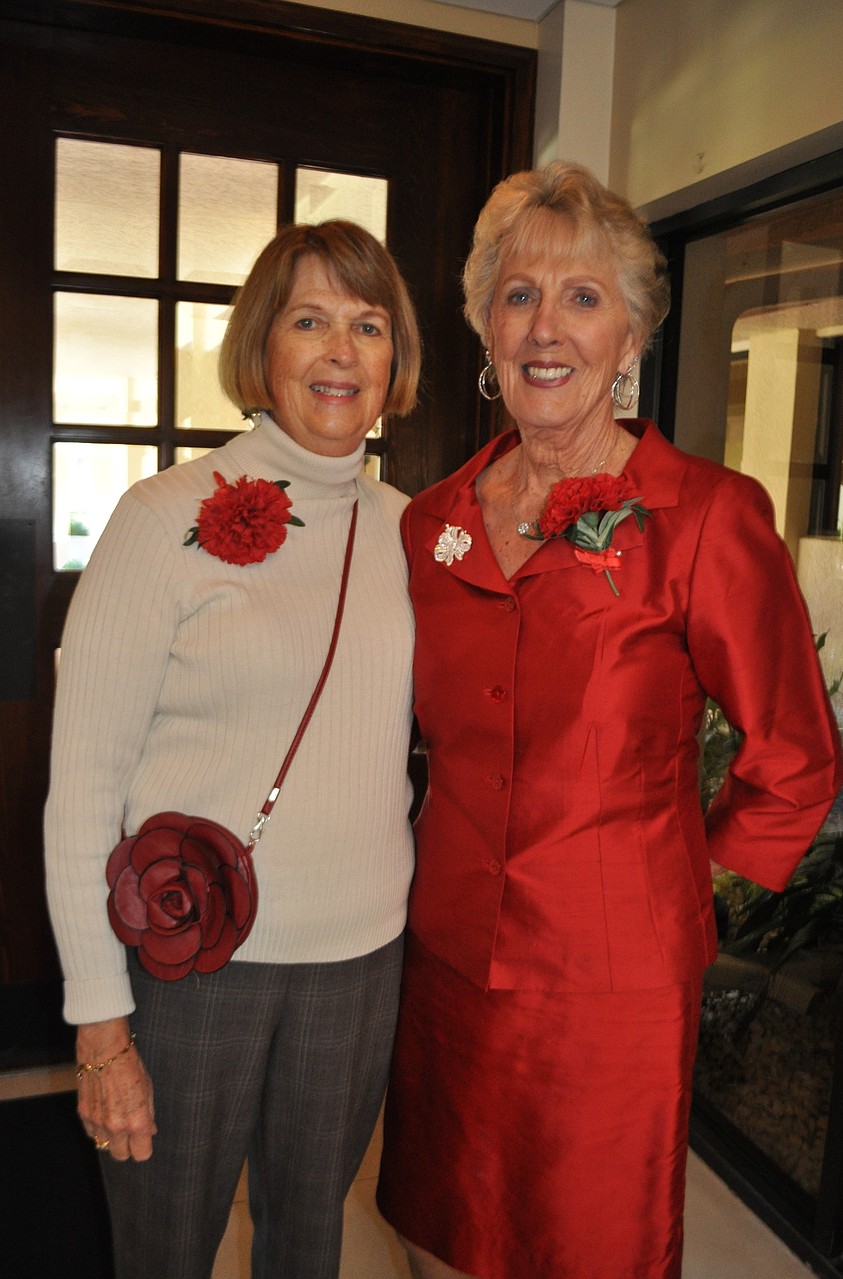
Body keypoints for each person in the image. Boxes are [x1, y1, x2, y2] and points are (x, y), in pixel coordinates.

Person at [375, 162, 843, 1279]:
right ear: (484, 324)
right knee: (438, 1230)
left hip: (609, 989)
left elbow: (793, 758)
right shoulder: (432, 521)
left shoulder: (704, 517)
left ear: (631, 334)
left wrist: (679, 884)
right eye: (519, 293)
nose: (547, 328)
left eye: (583, 297)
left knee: (586, 1247)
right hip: (444, 962)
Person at [44, 219, 421, 1279]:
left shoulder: (416, 530)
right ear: (263, 348)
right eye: (311, 320)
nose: (342, 350)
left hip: (358, 963)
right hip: (196, 966)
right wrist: (101, 1025)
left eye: (368, 324)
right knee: (165, 1248)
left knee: (309, 1242)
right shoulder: (161, 518)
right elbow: (80, 795)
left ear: (396, 363)